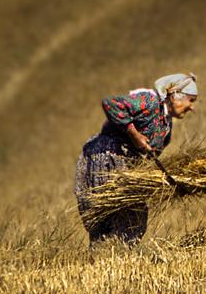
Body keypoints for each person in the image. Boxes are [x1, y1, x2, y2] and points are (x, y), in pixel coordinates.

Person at [74, 73, 198, 246]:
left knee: (132, 221)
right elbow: (112, 104)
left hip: (127, 166)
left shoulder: (166, 127)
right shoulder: (149, 101)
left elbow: (149, 156)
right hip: (107, 157)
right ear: (174, 94)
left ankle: (116, 259)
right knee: (109, 217)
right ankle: (103, 255)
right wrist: (134, 134)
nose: (192, 107)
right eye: (191, 100)